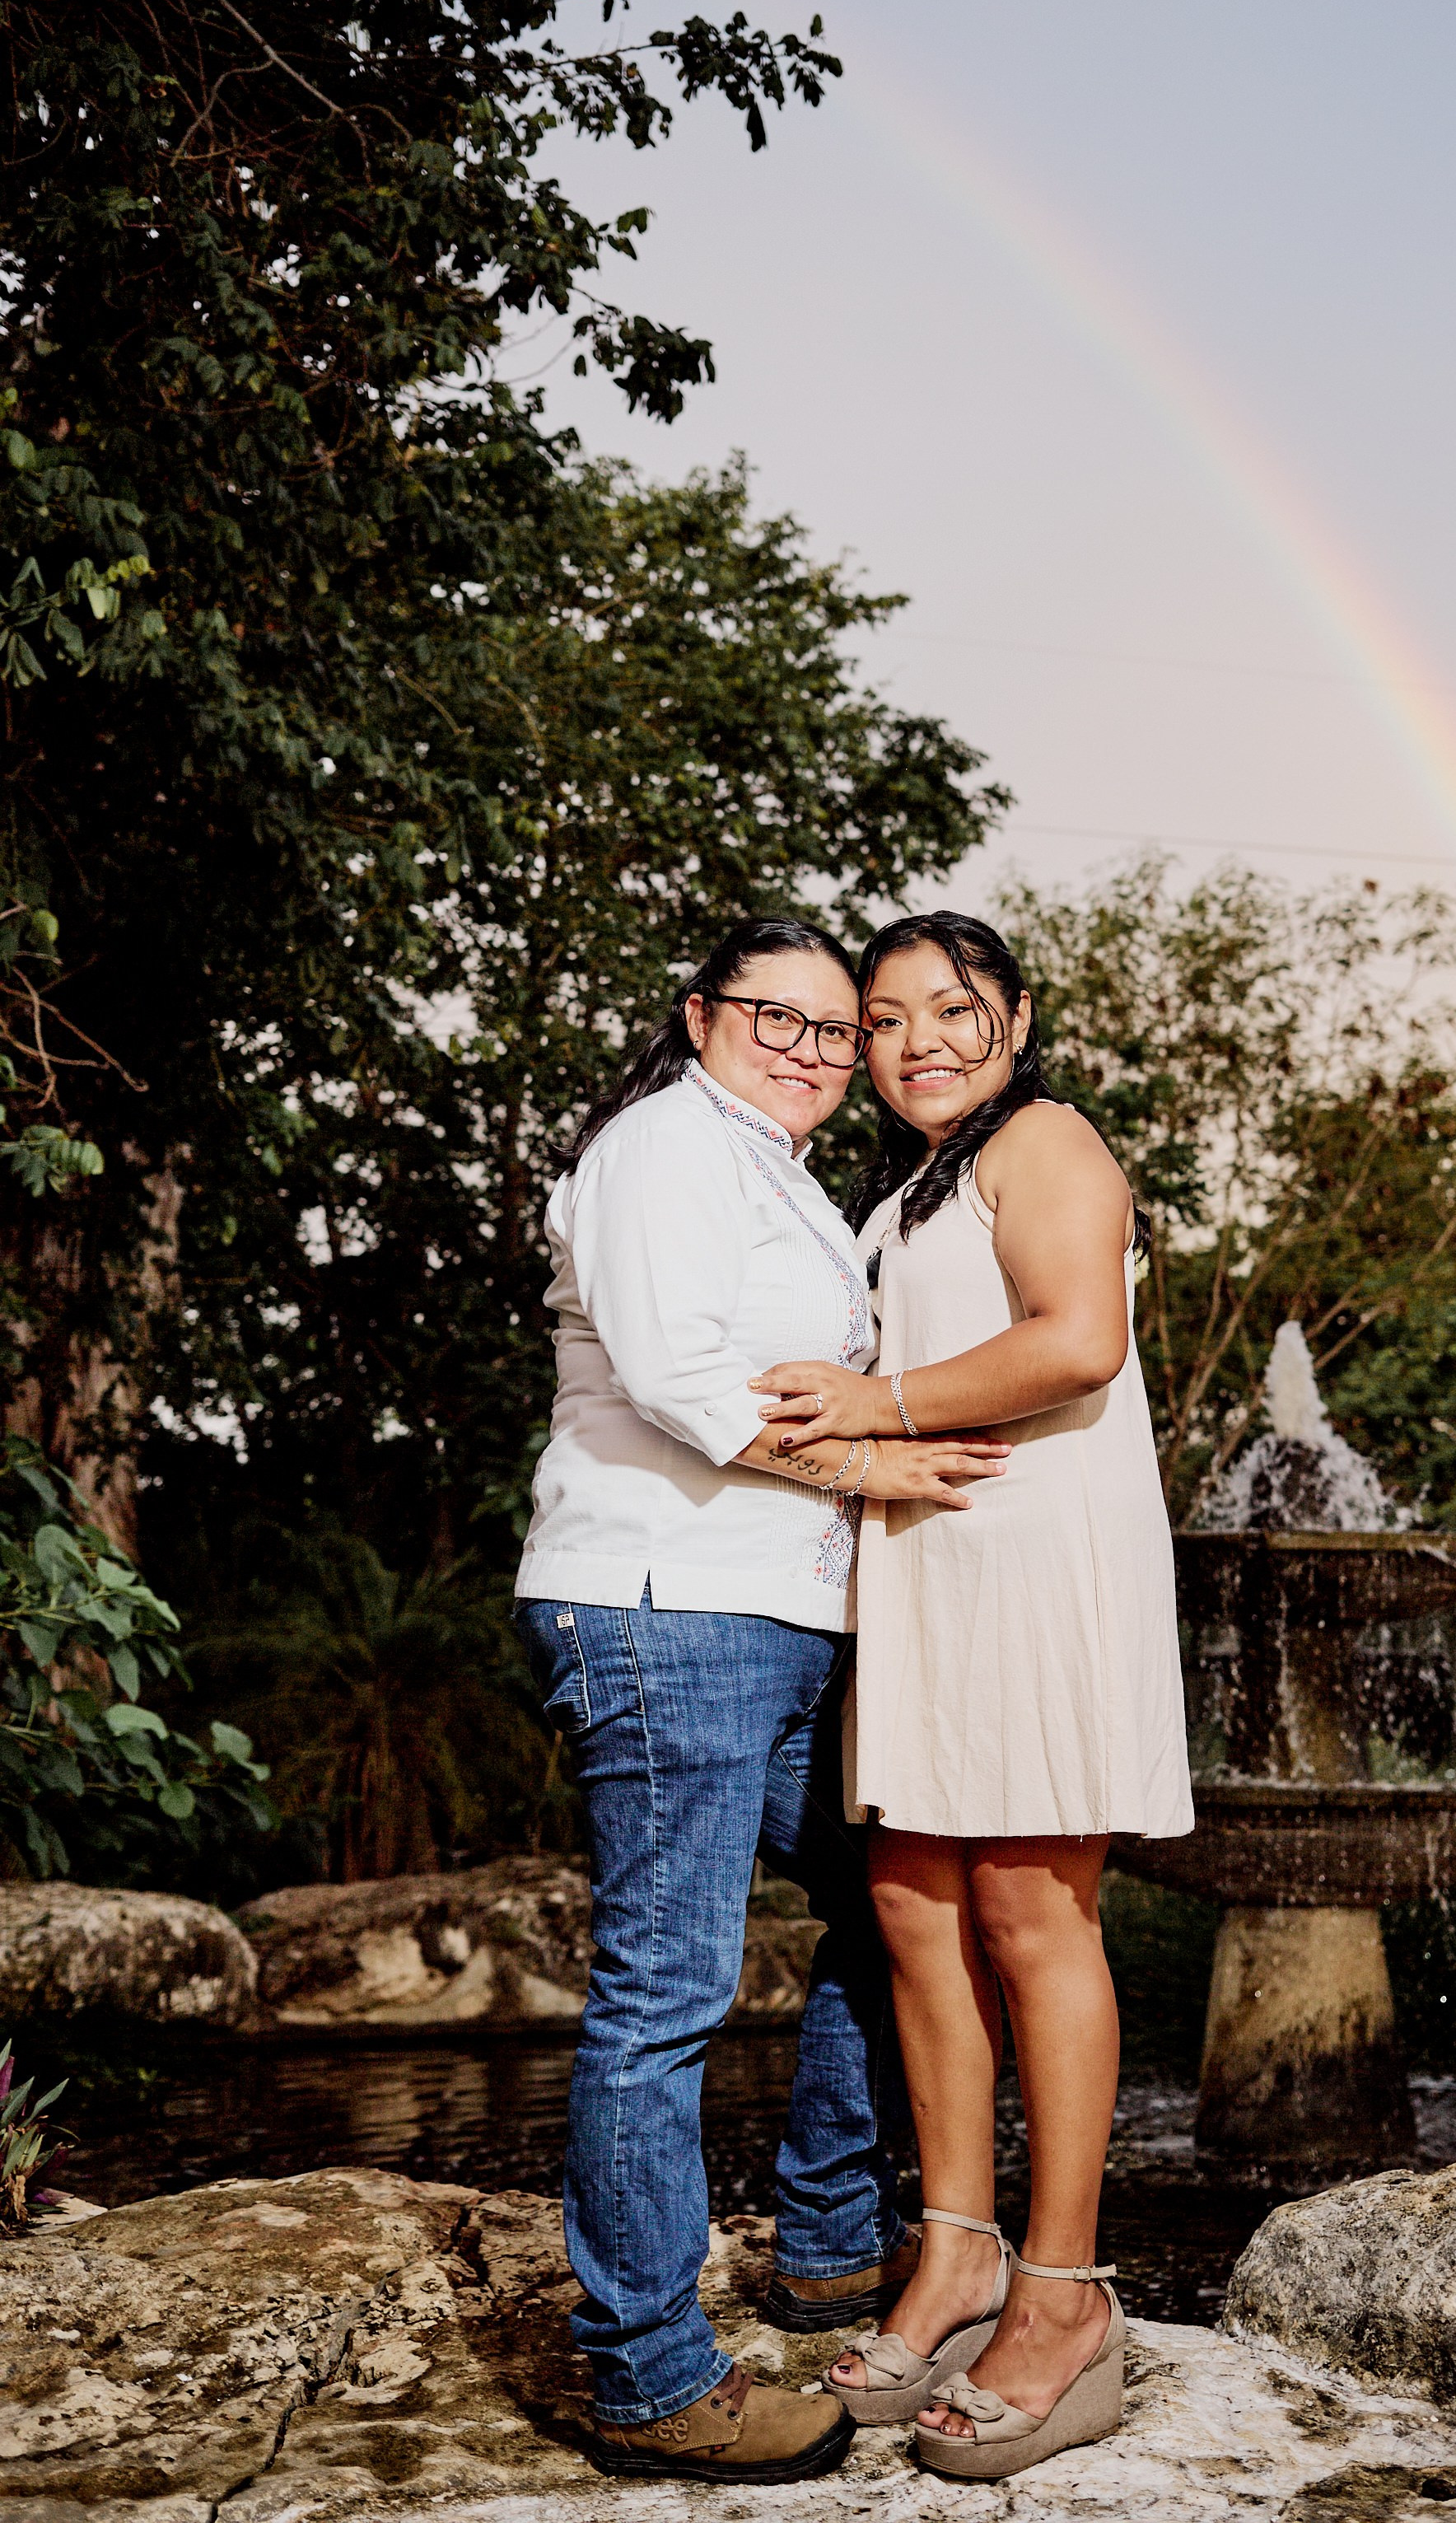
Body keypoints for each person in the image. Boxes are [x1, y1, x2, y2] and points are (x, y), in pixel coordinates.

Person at [514, 914, 1010, 2486]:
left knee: (884, 1915)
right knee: (667, 1990)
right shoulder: (665, 1147)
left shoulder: (781, 1174)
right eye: (771, 1017)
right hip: (668, 1609)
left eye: (830, 1027)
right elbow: (673, 1374)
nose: (807, 1047)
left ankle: (825, 2246)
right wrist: (874, 1458)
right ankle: (651, 2375)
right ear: (699, 1016)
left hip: (778, 1620)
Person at [749, 910, 1192, 2483]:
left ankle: (1065, 2293)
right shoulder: (912, 1183)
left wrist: (881, 1403)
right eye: (883, 1019)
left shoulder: (1050, 1141)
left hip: (1034, 1556)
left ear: (1013, 1019)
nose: (917, 1038)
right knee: (914, 1909)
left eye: (952, 1007)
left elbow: (1078, 1342)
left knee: (1029, 1913)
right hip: (927, 1568)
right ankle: (957, 2255)